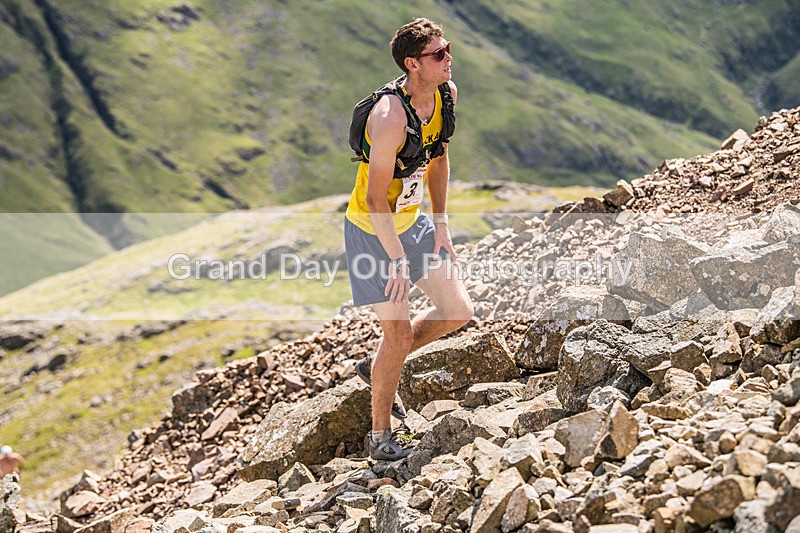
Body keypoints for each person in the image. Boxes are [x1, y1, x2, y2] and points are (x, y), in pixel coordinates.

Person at [344, 18, 473, 461]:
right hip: (373, 232)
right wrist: (396, 259)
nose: (449, 58)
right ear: (412, 64)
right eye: (439, 54)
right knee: (396, 336)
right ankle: (379, 439)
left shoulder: (446, 96)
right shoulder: (389, 116)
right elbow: (375, 198)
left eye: (448, 48)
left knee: (458, 311)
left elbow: (439, 158)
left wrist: (441, 223)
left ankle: (381, 364)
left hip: (414, 223)